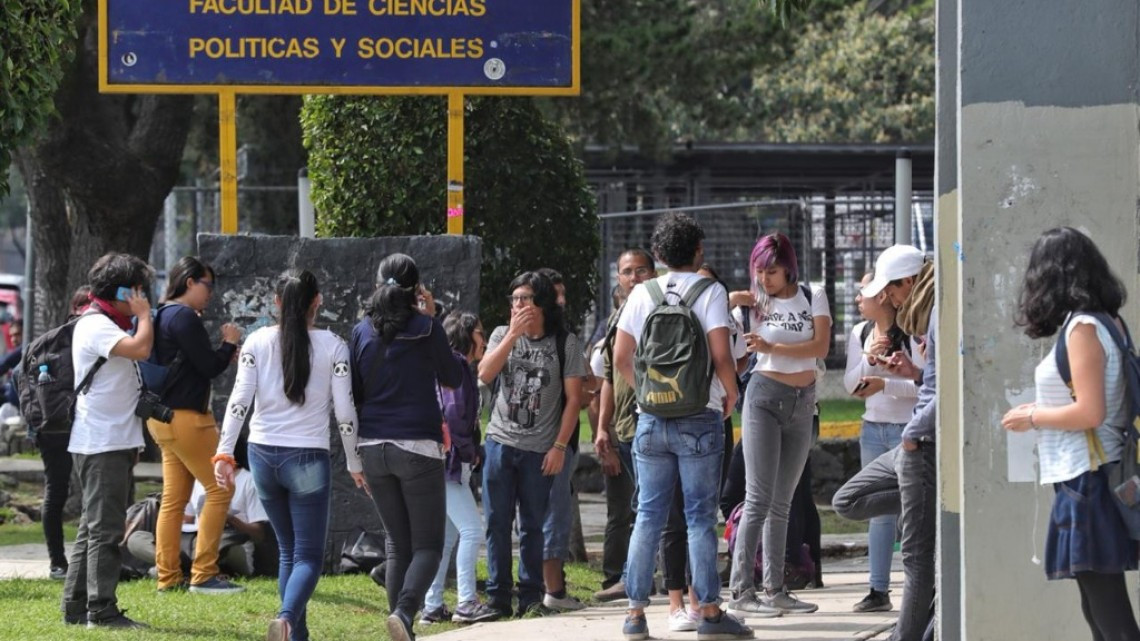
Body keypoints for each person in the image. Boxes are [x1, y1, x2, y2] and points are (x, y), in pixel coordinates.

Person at [613, 212, 752, 641]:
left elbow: (620, 359)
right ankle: (709, 613)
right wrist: (732, 394)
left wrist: (648, 395)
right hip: (699, 417)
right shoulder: (709, 291)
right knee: (698, 518)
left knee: (648, 516)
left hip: (651, 420)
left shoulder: (642, 294)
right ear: (699, 251)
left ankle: (635, 616)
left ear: (657, 255)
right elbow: (721, 355)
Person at [1001, 227, 1140, 641]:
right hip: (1093, 475)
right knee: (1097, 608)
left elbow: (1090, 411)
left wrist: (1033, 416)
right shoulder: (1110, 323)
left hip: (1088, 479)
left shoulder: (1082, 329)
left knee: (1110, 615)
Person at [214, 269, 366, 641]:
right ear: (318, 301)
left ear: (277, 303)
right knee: (308, 557)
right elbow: (345, 413)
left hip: (262, 455)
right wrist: (353, 461)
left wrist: (223, 452)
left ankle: (296, 635)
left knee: (288, 551)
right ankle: (284, 619)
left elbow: (238, 402)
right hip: (307, 458)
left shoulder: (255, 341)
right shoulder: (334, 345)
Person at [350, 254, 464, 641]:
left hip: (372, 446)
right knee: (429, 545)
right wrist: (432, 316)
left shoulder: (360, 331)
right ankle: (404, 612)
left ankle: (400, 625)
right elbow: (451, 378)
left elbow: (354, 393)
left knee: (397, 543)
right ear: (417, 290)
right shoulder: (426, 327)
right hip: (417, 446)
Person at [831, 244, 937, 641]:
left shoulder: (932, 316)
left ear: (908, 282)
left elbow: (948, 388)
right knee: (848, 501)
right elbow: (931, 382)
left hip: (915, 439)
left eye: (890, 290)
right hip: (901, 441)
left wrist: (911, 433)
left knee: (914, 554)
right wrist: (911, 372)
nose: (887, 298)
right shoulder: (916, 318)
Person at [726, 232, 831, 619]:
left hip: (804, 401)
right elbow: (710, 320)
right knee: (758, 497)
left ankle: (775, 587)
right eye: (759, 271)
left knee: (783, 502)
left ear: (788, 267)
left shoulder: (812, 294)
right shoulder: (753, 303)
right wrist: (732, 299)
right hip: (764, 397)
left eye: (772, 271)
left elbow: (821, 346)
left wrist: (776, 348)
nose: (765, 278)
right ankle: (740, 589)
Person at [477, 271, 585, 619]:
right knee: (496, 522)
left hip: (540, 449)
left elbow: (572, 400)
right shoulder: (500, 334)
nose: (518, 305)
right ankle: (497, 597)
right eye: (514, 299)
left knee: (533, 525)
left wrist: (558, 446)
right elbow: (484, 374)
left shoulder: (564, 343)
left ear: (542, 303)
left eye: (525, 299)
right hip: (499, 443)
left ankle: (530, 596)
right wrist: (512, 334)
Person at [61, 253, 155, 629]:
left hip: (109, 439)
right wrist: (145, 316)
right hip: (101, 442)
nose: (142, 296)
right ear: (123, 291)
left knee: (92, 526)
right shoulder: (97, 324)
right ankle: (101, 610)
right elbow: (141, 349)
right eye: (138, 290)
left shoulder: (108, 322)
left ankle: (75, 604)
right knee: (106, 529)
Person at [147, 256, 244, 594]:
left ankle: (168, 576)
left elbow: (199, 363)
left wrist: (219, 353)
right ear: (190, 282)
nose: (210, 295)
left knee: (174, 499)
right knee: (220, 488)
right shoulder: (185, 317)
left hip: (161, 419)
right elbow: (208, 367)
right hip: (188, 419)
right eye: (207, 286)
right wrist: (229, 341)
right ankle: (204, 574)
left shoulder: (161, 314)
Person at [842, 271, 923, 612]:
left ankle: (919, 592)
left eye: (865, 293)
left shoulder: (914, 331)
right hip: (872, 429)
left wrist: (885, 384)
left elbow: (924, 385)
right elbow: (850, 385)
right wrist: (866, 361)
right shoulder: (861, 333)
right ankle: (878, 590)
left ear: (884, 297)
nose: (859, 299)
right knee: (879, 513)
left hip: (906, 430)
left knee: (913, 514)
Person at [421, 310, 501, 625]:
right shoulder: (455, 366)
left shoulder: (458, 366)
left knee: (450, 536)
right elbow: (453, 417)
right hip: (450, 464)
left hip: (451, 462)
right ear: (469, 335)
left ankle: (432, 604)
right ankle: (467, 601)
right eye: (481, 332)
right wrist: (469, 450)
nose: (484, 339)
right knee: (472, 530)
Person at [593, 249, 656, 603]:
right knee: (628, 508)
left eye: (641, 270)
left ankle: (649, 579)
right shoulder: (616, 318)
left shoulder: (660, 312)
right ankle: (627, 578)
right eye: (627, 272)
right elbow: (607, 378)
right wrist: (603, 429)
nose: (634, 277)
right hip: (624, 429)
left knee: (651, 508)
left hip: (655, 420)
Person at [536, 266, 591, 612]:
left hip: (562, 443)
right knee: (546, 518)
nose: (561, 301)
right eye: (555, 294)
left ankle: (553, 590)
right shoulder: (518, 338)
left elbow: (580, 392)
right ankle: (550, 591)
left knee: (554, 516)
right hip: (540, 442)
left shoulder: (566, 339)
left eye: (562, 294)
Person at [36, 285, 92, 580]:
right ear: (79, 308)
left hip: (52, 427)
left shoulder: (52, 338)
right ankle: (60, 562)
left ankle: (60, 563)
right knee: (63, 492)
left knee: (58, 492)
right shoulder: (82, 336)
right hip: (66, 426)